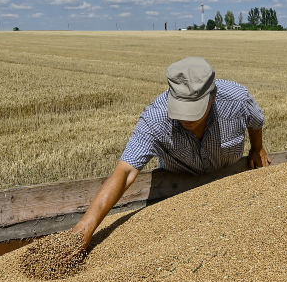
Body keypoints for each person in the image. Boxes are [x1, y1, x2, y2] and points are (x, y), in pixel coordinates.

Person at [72, 57, 270, 247]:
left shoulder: (237, 99)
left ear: (213, 97)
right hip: (177, 199)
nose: (186, 119)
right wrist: (83, 230)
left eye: (193, 110)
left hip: (230, 190)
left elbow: (256, 122)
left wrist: (256, 147)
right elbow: (125, 173)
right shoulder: (156, 118)